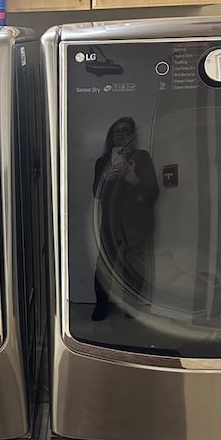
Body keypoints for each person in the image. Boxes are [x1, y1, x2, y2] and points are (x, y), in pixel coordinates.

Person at [92, 117, 159, 321]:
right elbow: (96, 193)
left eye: (126, 131)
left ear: (133, 135)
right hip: (110, 222)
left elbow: (153, 192)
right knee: (104, 265)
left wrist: (134, 179)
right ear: (111, 137)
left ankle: (130, 307)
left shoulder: (142, 158)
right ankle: (101, 305)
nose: (121, 135)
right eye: (117, 132)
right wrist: (106, 179)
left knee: (135, 265)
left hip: (137, 222)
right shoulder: (103, 162)